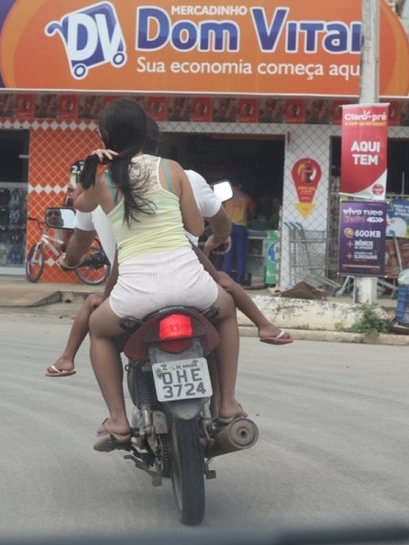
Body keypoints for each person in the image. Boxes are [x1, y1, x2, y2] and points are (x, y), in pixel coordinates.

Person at [45, 126, 292, 379]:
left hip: (134, 286)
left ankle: (73, 365)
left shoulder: (102, 186)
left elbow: (83, 231)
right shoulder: (177, 174)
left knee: (97, 324)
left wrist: (90, 168)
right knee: (225, 292)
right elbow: (202, 229)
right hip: (188, 275)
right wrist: (214, 241)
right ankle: (256, 342)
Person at [71, 98, 246, 451]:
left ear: (104, 136)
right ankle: (227, 403)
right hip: (192, 286)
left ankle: (118, 419)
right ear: (146, 131)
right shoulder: (173, 168)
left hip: (134, 296)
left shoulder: (101, 179)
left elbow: (78, 204)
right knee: (227, 311)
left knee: (99, 330)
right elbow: (195, 226)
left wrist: (92, 163)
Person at [221, 179, 255, 285]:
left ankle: (225, 279)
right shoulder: (246, 198)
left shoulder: (226, 197)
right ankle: (239, 280)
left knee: (228, 253)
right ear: (240, 185)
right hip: (241, 227)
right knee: (241, 255)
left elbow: (220, 212)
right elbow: (252, 212)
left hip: (228, 227)